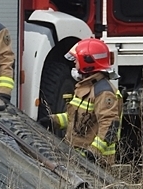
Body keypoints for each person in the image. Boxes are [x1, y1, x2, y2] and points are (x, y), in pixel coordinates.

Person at [47, 38, 123, 167]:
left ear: (88, 62)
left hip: (97, 164)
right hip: (79, 157)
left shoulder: (104, 92)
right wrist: (54, 121)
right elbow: (78, 118)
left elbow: (110, 127)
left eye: (76, 60)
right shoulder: (86, 88)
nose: (74, 63)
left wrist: (93, 153)